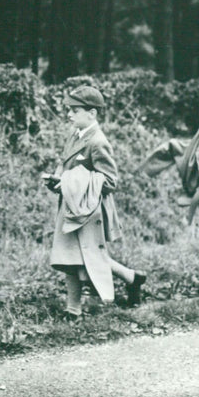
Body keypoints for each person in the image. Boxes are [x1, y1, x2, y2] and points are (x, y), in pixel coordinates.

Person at [45, 85, 148, 317]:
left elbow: (111, 181)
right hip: (72, 207)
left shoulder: (98, 142)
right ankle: (131, 278)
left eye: (75, 110)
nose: (69, 114)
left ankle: (74, 309)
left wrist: (74, 182)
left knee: (84, 256)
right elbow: (67, 165)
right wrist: (58, 180)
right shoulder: (75, 134)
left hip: (90, 212)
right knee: (72, 255)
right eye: (69, 110)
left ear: (92, 113)